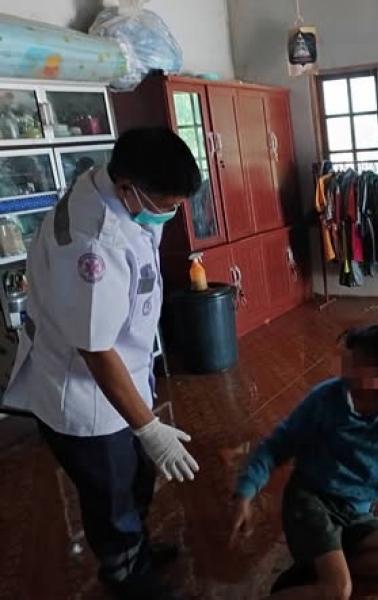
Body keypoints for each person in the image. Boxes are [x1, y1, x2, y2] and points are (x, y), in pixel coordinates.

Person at [3, 128, 202, 599]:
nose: (173, 213)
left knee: (137, 479)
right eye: (168, 204)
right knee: (111, 499)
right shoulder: (93, 243)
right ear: (129, 187)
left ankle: (137, 552)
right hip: (87, 397)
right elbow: (95, 349)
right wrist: (149, 428)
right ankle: (126, 576)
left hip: (122, 380)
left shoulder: (109, 185)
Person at [229, 324, 378, 599]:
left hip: (358, 512)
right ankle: (325, 570)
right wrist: (245, 493)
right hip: (312, 502)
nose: (348, 371)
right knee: (339, 590)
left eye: (360, 366)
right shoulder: (326, 398)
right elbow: (277, 445)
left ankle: (320, 567)